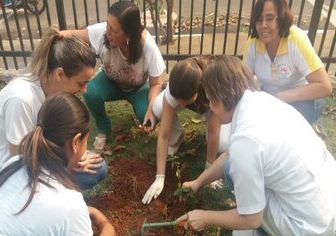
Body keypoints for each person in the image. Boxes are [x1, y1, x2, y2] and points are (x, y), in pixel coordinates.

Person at [175, 55, 336, 235]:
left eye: (211, 100)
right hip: (326, 197)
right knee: (232, 166)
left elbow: (252, 218)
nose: (211, 108)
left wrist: (205, 217)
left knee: (247, 208)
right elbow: (231, 155)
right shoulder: (259, 101)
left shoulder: (246, 140)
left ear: (220, 97)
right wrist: (198, 182)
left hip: (310, 227)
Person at [0, 26, 107, 199]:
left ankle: (53, 203)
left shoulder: (51, 92)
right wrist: (69, 165)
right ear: (60, 74)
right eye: (80, 83)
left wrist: (77, 156)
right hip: (2, 180)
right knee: (78, 177)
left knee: (98, 168)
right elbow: (20, 162)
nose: (84, 90)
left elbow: (53, 141)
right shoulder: (21, 99)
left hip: (35, 163)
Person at [0, 93, 115, 236]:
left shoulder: (15, 163)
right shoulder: (70, 205)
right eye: (85, 141)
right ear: (76, 142)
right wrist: (105, 225)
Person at [60, 1, 165, 152]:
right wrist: (62, 34)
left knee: (147, 117)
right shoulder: (104, 33)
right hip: (110, 81)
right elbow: (74, 34)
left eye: (113, 30)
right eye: (107, 25)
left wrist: (150, 108)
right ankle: (103, 127)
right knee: (90, 91)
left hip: (138, 87)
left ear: (129, 34)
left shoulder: (147, 46)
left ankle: (139, 113)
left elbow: (155, 84)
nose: (107, 32)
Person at [142, 56, 231, 204]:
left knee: (221, 143)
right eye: (177, 99)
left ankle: (208, 127)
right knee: (158, 108)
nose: (180, 104)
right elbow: (163, 136)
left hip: (210, 106)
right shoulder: (176, 87)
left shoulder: (212, 90)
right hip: (191, 92)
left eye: (183, 100)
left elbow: (213, 131)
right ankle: (177, 137)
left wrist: (209, 169)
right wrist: (160, 177)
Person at [243, 0, 332, 124]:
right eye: (259, 19)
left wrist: (282, 97)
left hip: (303, 100)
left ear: (282, 17)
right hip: (269, 98)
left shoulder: (296, 40)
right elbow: (243, 81)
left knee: (286, 126)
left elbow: (325, 87)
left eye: (269, 18)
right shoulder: (253, 42)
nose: (263, 25)